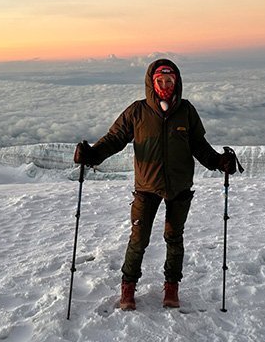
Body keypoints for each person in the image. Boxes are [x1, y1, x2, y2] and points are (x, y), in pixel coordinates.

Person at [74, 58, 238, 310]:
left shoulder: (186, 111)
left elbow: (199, 146)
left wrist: (218, 161)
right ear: (151, 83)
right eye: (160, 81)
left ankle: (171, 289)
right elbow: (114, 139)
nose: (165, 85)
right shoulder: (137, 112)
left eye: (169, 80)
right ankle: (127, 290)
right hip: (146, 187)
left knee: (174, 237)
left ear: (177, 82)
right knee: (138, 239)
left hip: (179, 186)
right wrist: (92, 154)